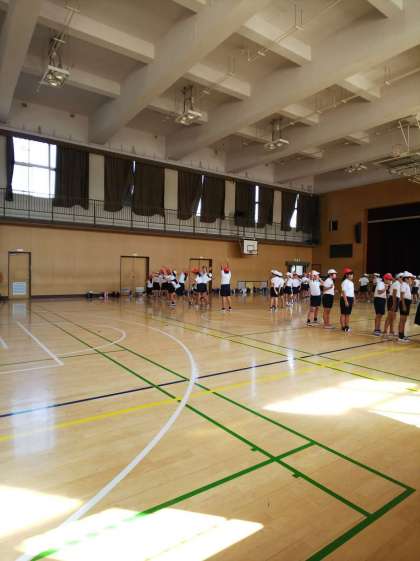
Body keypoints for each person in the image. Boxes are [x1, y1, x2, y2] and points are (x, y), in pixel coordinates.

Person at [384, 274, 401, 338]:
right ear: (399, 278)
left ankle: (391, 331)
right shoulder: (396, 283)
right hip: (393, 299)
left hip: (394, 299)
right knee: (390, 316)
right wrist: (394, 303)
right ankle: (385, 332)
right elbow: (394, 293)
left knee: (393, 317)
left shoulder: (397, 283)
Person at [398, 272, 413, 343]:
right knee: (402, 320)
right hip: (404, 303)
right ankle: (400, 336)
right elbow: (402, 295)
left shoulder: (406, 285)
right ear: (406, 278)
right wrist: (403, 305)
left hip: (407, 302)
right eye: (410, 278)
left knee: (404, 320)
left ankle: (402, 335)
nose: (411, 279)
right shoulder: (404, 284)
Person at [340, 268, 355, 333]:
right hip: (345, 298)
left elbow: (352, 292)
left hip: (350, 298)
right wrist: (346, 301)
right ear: (346, 275)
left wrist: (354, 299)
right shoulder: (345, 282)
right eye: (350, 274)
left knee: (348, 314)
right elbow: (343, 292)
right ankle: (343, 327)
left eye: (352, 274)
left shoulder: (351, 282)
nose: (352, 276)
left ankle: (347, 326)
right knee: (343, 313)